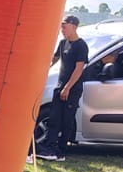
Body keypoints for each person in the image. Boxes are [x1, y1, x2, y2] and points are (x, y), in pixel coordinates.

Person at [38, 15, 89, 161]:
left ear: (74, 27)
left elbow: (79, 69)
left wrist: (67, 88)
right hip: (60, 86)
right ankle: (49, 148)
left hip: (72, 89)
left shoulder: (81, 46)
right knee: (54, 118)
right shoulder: (63, 43)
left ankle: (61, 152)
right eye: (61, 27)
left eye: (65, 27)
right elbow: (53, 60)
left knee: (67, 120)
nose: (62, 30)